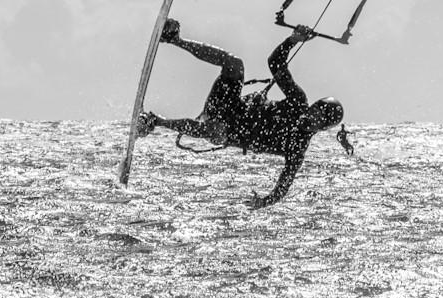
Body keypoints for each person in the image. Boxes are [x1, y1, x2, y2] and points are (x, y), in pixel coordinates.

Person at [139, 19, 345, 207]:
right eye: (315, 109)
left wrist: (264, 202)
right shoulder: (298, 101)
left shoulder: (298, 147)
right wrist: (292, 40)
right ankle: (174, 40)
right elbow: (275, 62)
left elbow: (284, 185)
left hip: (228, 131)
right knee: (234, 63)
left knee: (217, 131)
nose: (311, 116)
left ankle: (154, 121)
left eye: (318, 118)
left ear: (322, 127)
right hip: (229, 105)